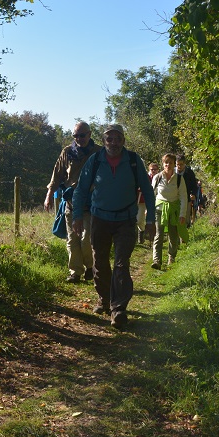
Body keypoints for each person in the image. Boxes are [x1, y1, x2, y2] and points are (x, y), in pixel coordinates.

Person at [72, 124, 156, 329]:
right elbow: (81, 189)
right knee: (99, 262)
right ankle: (104, 299)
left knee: (121, 263)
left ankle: (118, 309)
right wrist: (77, 216)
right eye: (109, 139)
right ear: (104, 141)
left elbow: (148, 191)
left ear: (124, 141)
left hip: (126, 221)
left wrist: (150, 220)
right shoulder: (95, 160)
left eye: (118, 138)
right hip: (99, 218)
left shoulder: (134, 161)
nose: (114, 143)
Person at [44, 121, 102, 283]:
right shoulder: (68, 152)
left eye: (82, 135)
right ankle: (75, 272)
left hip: (91, 204)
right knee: (72, 239)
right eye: (75, 136)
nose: (78, 139)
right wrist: (49, 194)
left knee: (87, 239)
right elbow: (57, 174)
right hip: (70, 202)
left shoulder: (98, 152)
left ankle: (90, 267)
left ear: (89, 134)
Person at [152, 153, 188, 269]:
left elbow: (183, 197)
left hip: (173, 210)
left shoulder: (179, 179)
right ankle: (156, 260)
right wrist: (149, 210)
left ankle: (171, 258)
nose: (168, 165)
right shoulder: (157, 177)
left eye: (171, 163)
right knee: (159, 234)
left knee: (173, 236)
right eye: (166, 162)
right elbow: (152, 194)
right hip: (159, 209)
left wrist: (182, 214)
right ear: (163, 164)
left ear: (174, 165)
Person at [136, 162, 159, 243]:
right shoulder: (145, 176)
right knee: (139, 220)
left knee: (152, 217)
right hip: (139, 200)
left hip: (150, 200)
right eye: (152, 169)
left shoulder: (158, 177)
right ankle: (141, 232)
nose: (153, 171)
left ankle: (152, 234)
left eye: (155, 169)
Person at [176, 154, 198, 228]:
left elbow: (194, 185)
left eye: (181, 164)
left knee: (186, 216)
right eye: (177, 164)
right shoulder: (172, 172)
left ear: (184, 163)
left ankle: (185, 233)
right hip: (174, 197)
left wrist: (193, 194)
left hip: (187, 197)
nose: (179, 166)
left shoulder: (189, 172)